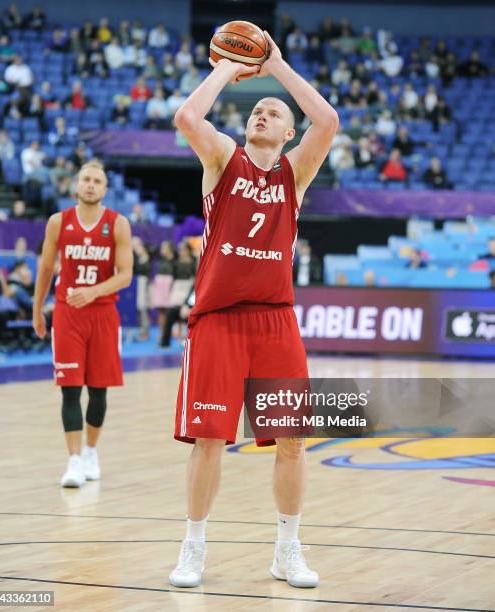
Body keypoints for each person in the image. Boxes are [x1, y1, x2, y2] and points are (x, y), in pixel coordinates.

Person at [169, 30, 338, 589]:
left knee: (292, 441)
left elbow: (328, 120)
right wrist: (224, 67)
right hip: (218, 318)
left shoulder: (296, 172)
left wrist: (277, 65)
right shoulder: (223, 157)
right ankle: (193, 547)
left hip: (275, 319)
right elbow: (188, 118)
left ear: (291, 133)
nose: (263, 113)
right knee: (211, 438)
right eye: (258, 109)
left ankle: (288, 549)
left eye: (274, 112)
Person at [32, 160, 133, 488]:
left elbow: (126, 275)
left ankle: (91, 451)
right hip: (67, 314)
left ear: (105, 189)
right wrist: (37, 310)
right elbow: (46, 269)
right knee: (70, 389)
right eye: (85, 179)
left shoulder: (117, 224)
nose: (90, 185)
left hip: (103, 313)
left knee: (98, 390)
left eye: (97, 181)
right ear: (76, 186)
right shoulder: (58, 222)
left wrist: (93, 292)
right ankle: (74, 460)